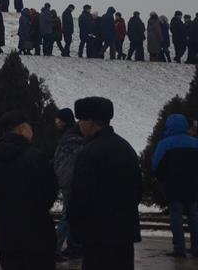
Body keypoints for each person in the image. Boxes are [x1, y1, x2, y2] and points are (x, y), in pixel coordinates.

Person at [67, 97, 142, 270]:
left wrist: (75, 223)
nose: (79, 124)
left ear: (91, 121)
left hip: (98, 237)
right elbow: (138, 189)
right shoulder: (126, 148)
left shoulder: (89, 153)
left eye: (81, 120)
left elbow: (80, 196)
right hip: (124, 234)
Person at [0, 111, 58, 270]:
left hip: (6, 236)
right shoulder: (36, 157)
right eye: (31, 127)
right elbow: (49, 193)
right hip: (37, 236)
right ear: (22, 128)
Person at [152, 114, 198, 257]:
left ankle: (179, 248)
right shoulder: (195, 143)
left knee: (176, 217)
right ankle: (196, 248)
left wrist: (162, 178)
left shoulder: (165, 143)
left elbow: (156, 164)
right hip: (194, 186)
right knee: (194, 216)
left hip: (173, 186)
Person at [52, 109, 84, 261]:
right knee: (71, 215)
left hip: (70, 183)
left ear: (64, 121)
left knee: (67, 216)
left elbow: (67, 164)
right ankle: (73, 246)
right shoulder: (73, 135)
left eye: (58, 120)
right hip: (73, 182)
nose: (56, 123)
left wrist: (62, 181)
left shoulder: (69, 138)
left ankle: (54, 248)